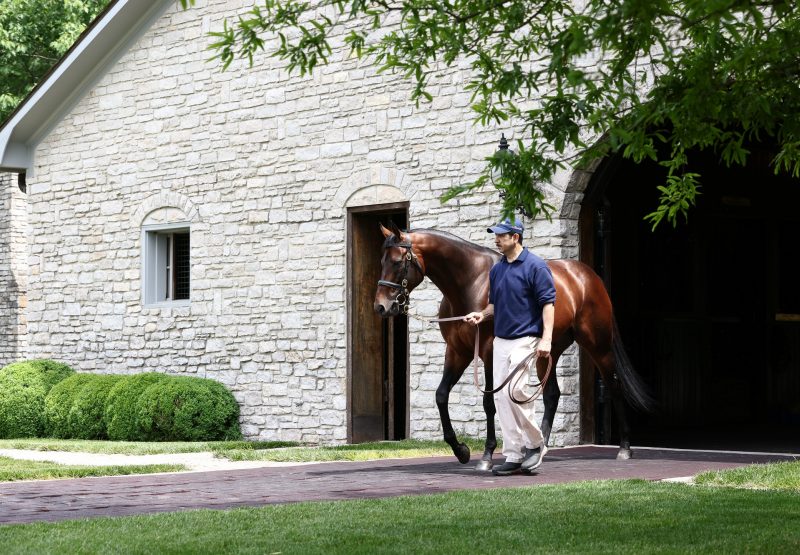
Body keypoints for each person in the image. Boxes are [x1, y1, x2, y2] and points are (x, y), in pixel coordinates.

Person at [464, 216, 556, 476]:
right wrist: (481, 315)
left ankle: (536, 445)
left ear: (515, 237)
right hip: (501, 340)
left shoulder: (536, 267)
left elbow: (548, 304)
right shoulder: (497, 270)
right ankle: (514, 454)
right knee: (501, 398)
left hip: (527, 339)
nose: (496, 239)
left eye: (501, 235)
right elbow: (494, 305)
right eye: (496, 234)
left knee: (516, 391)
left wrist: (546, 339)